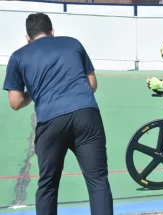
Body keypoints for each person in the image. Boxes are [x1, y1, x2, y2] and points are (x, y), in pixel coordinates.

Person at [2, 12, 113, 215]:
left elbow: (15, 102)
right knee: (98, 180)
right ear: (52, 32)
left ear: (28, 38)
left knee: (48, 185)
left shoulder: (18, 56)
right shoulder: (73, 43)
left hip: (51, 122)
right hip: (86, 114)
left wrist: (34, 92)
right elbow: (92, 85)